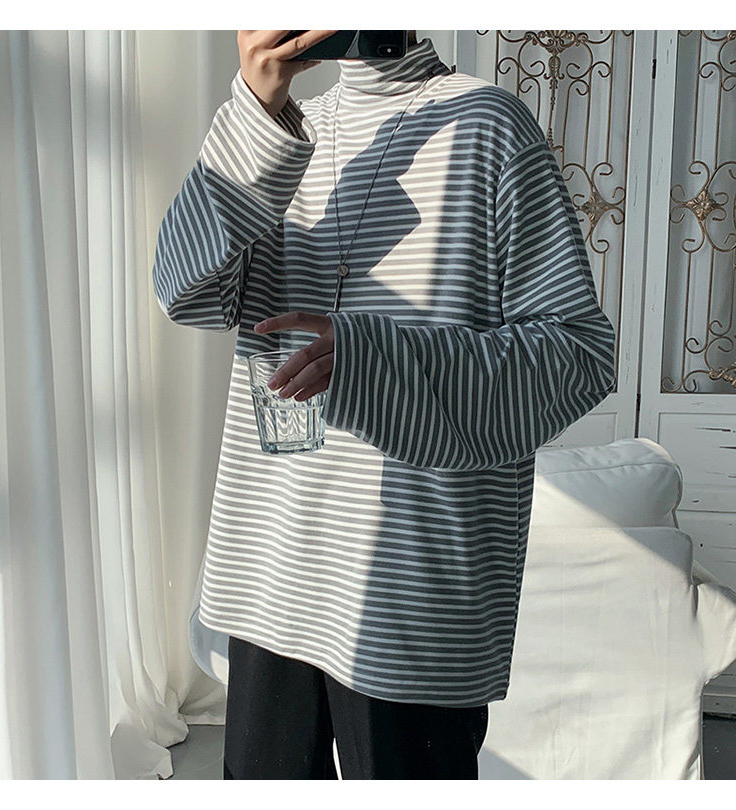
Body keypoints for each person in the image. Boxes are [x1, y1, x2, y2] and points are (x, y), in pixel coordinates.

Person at [152, 29, 617, 779]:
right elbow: (183, 291)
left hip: (410, 586)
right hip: (272, 565)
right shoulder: (277, 129)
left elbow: (577, 357)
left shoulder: (488, 124)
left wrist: (375, 361)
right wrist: (255, 105)